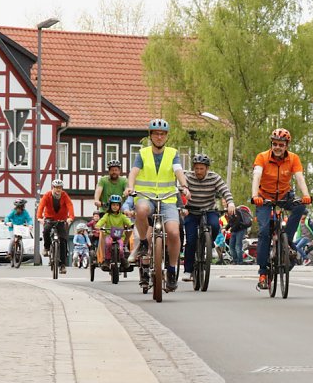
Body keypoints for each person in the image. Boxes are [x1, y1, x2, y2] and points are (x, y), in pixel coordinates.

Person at [123, 118, 191, 292]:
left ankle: (172, 270)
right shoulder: (143, 153)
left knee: (174, 232)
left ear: (166, 136)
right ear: (150, 135)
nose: (159, 137)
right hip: (146, 196)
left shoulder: (173, 153)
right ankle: (143, 243)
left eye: (162, 134)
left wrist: (184, 186)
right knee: (141, 210)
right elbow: (134, 172)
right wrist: (130, 186)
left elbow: (178, 171)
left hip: (167, 198)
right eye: (156, 134)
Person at [251, 127, 313, 290]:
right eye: (275, 144)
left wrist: (306, 195)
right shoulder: (262, 157)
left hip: (284, 195)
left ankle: (288, 241)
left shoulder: (293, 158)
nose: (277, 147)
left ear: (286, 146)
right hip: (264, 197)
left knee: (300, 206)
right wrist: (255, 195)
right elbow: (257, 175)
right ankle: (263, 272)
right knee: (264, 232)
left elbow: (299, 177)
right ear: (271, 144)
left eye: (281, 145)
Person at [181, 153, 235, 281]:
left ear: (207, 169)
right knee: (191, 240)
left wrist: (230, 203)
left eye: (202, 168)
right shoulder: (187, 177)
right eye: (196, 168)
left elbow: (225, 190)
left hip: (209, 210)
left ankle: (207, 245)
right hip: (191, 211)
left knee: (215, 226)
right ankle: (188, 270)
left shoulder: (214, 177)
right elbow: (180, 192)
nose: (199, 171)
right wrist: (182, 207)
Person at [37, 179, 75, 273]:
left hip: (61, 219)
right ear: (53, 188)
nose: (58, 189)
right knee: (46, 230)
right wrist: (39, 217)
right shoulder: (47, 195)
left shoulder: (64, 195)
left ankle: (62, 265)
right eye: (56, 187)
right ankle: (46, 247)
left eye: (60, 187)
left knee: (63, 241)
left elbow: (70, 205)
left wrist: (70, 217)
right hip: (49, 218)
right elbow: (41, 206)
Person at [96, 194, 134, 263]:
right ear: (110, 205)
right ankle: (107, 260)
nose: (115, 207)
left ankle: (122, 259)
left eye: (117, 205)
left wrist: (131, 225)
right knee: (108, 244)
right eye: (113, 205)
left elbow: (127, 221)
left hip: (120, 236)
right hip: (109, 235)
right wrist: (98, 226)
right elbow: (102, 220)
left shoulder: (122, 216)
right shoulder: (107, 215)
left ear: (120, 206)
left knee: (121, 248)